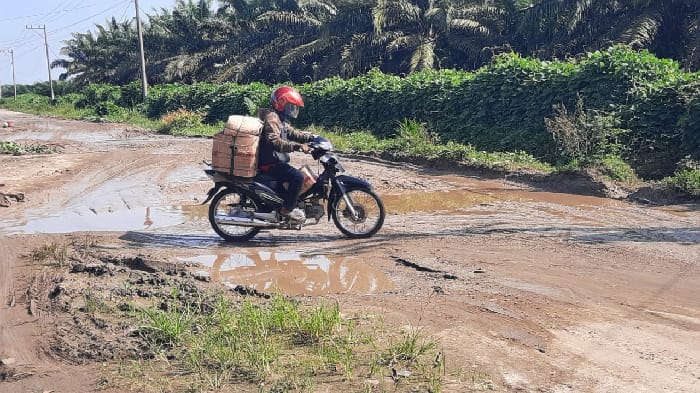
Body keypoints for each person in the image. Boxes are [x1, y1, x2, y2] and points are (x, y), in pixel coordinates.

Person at [258, 85, 315, 222]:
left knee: (297, 174)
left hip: (275, 162)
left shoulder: (280, 119)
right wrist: (297, 147)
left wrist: (312, 138)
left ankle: (285, 201)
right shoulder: (272, 118)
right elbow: (275, 141)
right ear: (282, 104)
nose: (293, 110)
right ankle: (286, 209)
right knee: (298, 177)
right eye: (291, 106)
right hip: (269, 164)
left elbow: (293, 133)